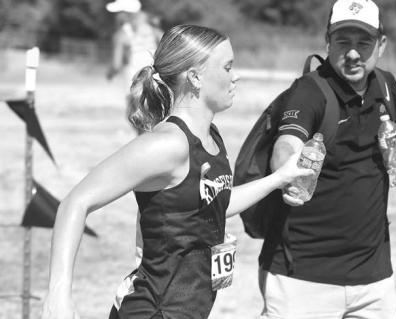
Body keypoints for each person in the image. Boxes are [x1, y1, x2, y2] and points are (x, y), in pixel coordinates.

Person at [40, 25, 313, 319]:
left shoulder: (211, 137)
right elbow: (75, 203)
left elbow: (216, 203)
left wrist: (278, 178)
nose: (236, 76)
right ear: (195, 77)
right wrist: (58, 296)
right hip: (152, 311)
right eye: (227, 67)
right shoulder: (167, 145)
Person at [258, 1, 396, 318]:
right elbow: (287, 144)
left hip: (374, 278)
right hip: (302, 277)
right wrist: (287, 170)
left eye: (364, 42)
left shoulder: (387, 87)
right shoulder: (309, 92)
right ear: (327, 42)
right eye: (343, 41)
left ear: (382, 45)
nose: (353, 53)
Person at [105, 0, 163, 131]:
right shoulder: (155, 31)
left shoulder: (121, 35)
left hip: (135, 86)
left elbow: (116, 65)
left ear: (125, 14)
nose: (117, 16)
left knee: (140, 127)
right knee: (157, 127)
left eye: (119, 12)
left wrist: (110, 74)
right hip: (157, 84)